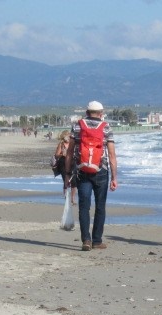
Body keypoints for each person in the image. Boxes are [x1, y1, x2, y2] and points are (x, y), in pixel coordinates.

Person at [65, 101, 118, 251]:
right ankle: (97, 240)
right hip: (101, 170)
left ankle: (86, 240)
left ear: (87, 112)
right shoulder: (106, 127)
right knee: (100, 206)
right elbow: (112, 155)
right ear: (101, 113)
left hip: (82, 170)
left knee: (84, 206)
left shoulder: (77, 126)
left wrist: (68, 173)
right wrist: (114, 177)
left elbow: (69, 152)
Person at [54, 130, 77, 204]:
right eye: (68, 135)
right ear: (64, 136)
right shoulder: (61, 144)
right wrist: (62, 154)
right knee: (66, 180)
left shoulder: (73, 143)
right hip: (63, 163)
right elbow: (56, 155)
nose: (69, 137)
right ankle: (66, 197)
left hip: (72, 163)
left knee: (74, 181)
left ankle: (73, 199)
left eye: (70, 135)